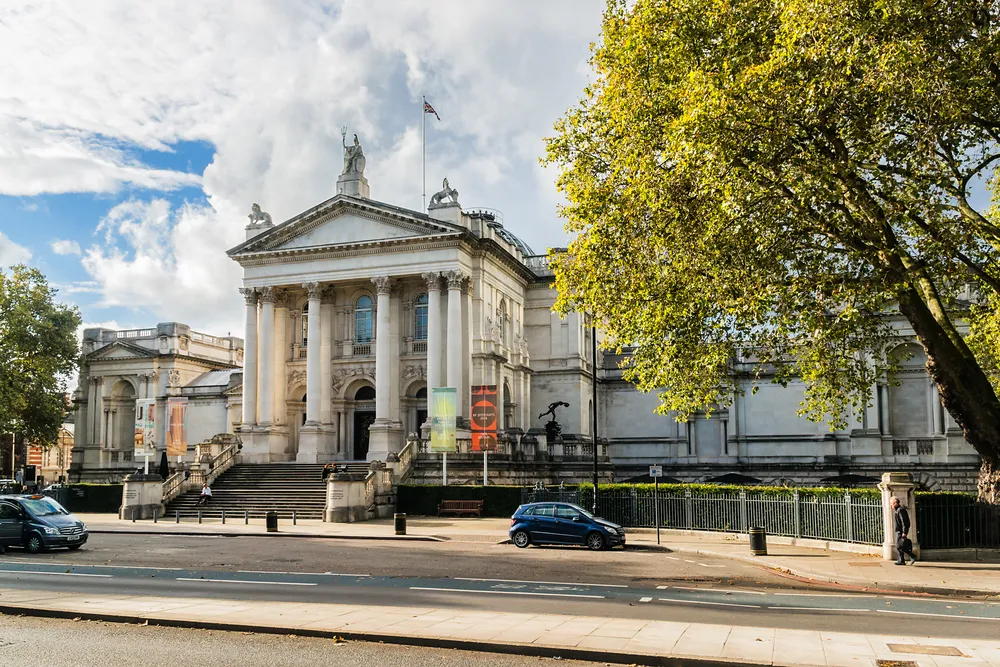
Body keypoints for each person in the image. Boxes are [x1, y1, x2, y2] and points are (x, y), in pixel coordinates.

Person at [891, 497, 917, 565]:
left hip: (901, 531)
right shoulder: (897, 510)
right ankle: (901, 560)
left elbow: (904, 522)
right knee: (899, 545)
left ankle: (912, 555)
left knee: (899, 545)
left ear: (895, 503)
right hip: (899, 530)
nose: (891, 505)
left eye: (892, 503)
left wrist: (904, 532)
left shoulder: (900, 510)